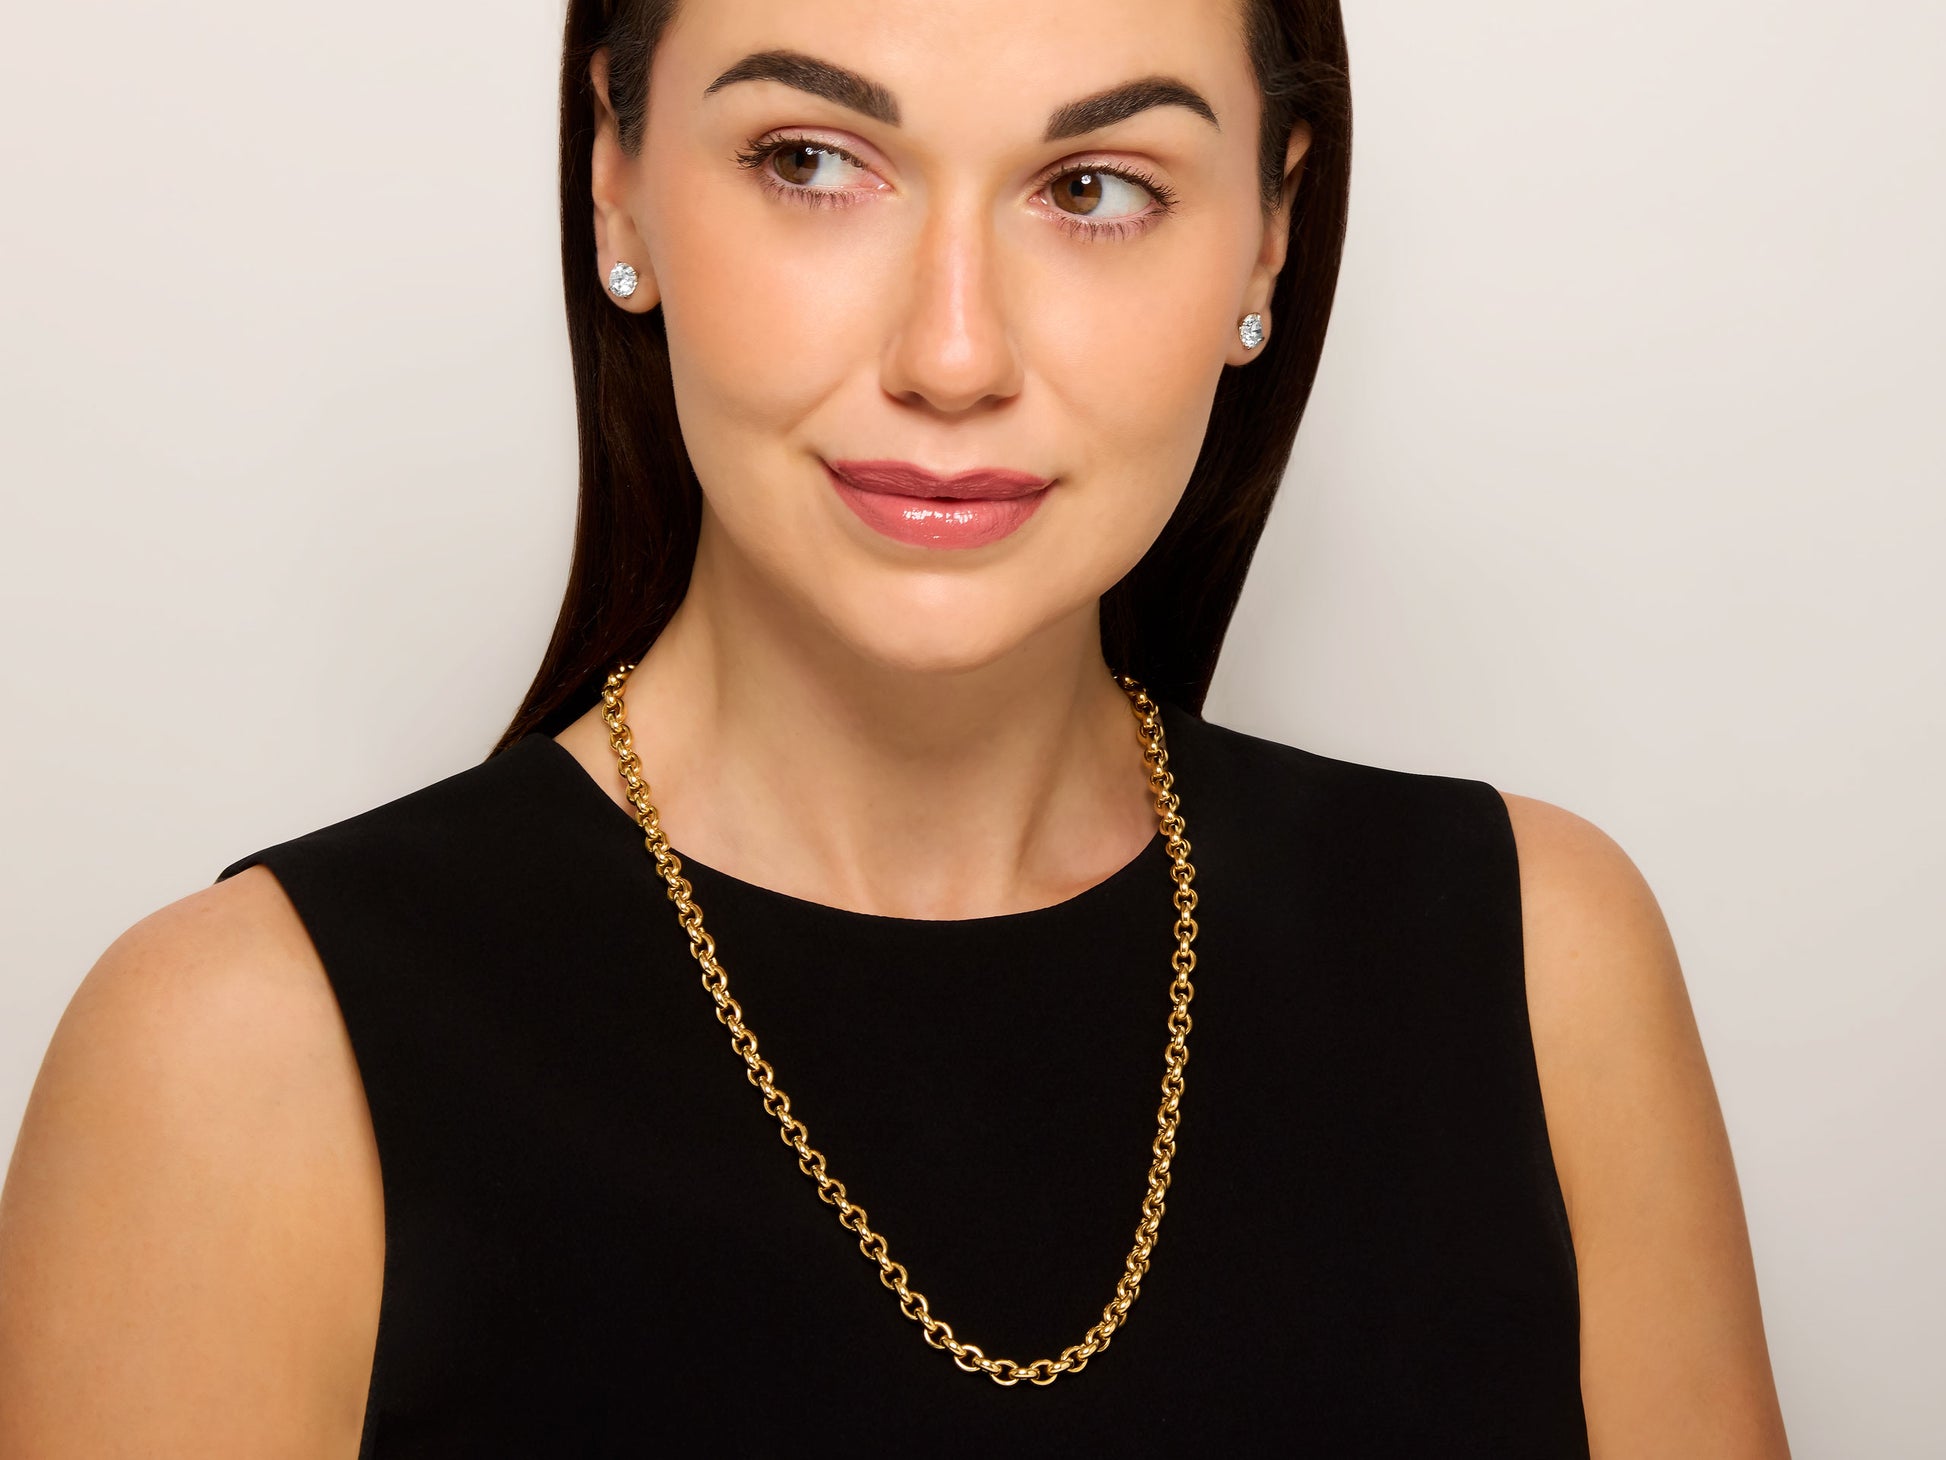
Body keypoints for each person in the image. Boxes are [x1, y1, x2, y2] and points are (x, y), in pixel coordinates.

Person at [0, 0, 1791, 1454]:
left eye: (1094, 187)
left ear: (1270, 228)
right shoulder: (239, 1061)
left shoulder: (1536, 958)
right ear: (616, 184)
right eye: (812, 161)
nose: (952, 355)